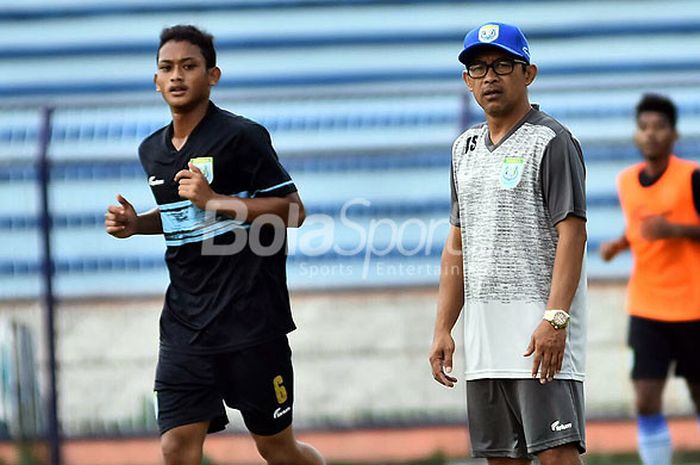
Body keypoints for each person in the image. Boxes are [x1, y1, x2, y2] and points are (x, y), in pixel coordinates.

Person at [104, 25, 324, 465]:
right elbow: (182, 220)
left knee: (277, 448)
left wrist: (216, 200)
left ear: (213, 75)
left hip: (251, 323)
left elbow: (294, 211)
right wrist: (136, 224)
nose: (177, 76)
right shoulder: (152, 150)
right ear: (155, 81)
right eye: (166, 68)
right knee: (176, 446)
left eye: (189, 66)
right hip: (185, 326)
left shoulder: (241, 137)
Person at [429, 22, 588, 464]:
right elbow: (457, 243)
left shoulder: (551, 140)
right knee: (501, 458)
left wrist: (555, 319)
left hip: (539, 338)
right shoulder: (464, 148)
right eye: (478, 69)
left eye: (502, 65)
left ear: (528, 73)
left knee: (558, 455)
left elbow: (572, 234)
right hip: (484, 340)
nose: (489, 78)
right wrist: (444, 326)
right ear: (466, 81)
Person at [599, 94, 700, 465]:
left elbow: (665, 227)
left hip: (694, 306)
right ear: (636, 135)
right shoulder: (626, 181)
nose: (651, 134)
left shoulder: (691, 176)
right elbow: (641, 229)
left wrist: (675, 229)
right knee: (644, 398)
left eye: (659, 127)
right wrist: (620, 244)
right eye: (644, 127)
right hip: (647, 307)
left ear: (674, 134)